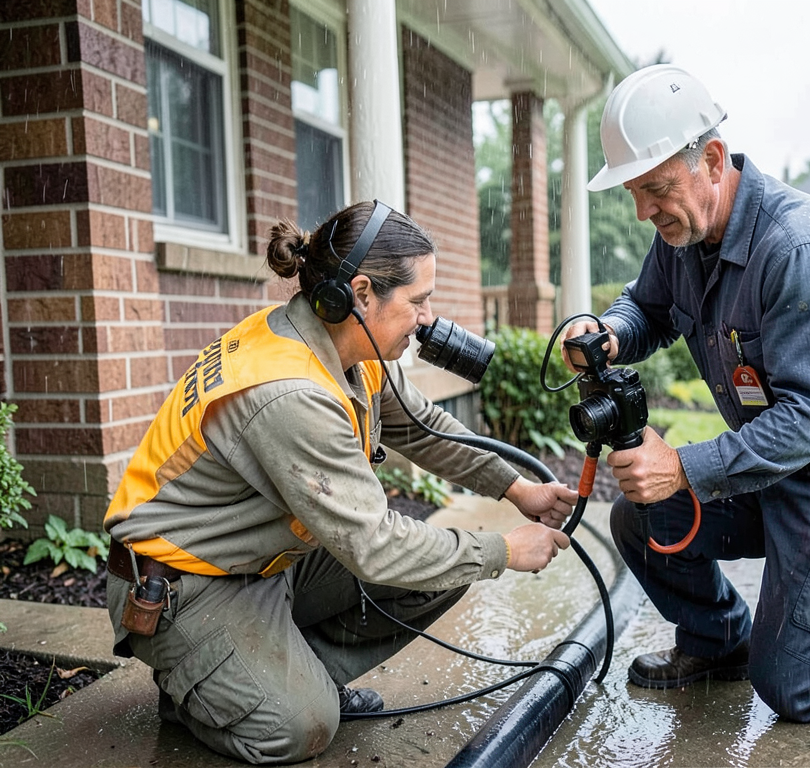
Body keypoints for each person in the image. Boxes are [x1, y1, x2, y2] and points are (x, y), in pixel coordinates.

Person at [104, 200, 576, 764]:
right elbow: (375, 546)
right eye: (419, 302)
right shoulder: (289, 392)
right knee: (299, 729)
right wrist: (504, 549)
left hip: (262, 558)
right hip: (181, 583)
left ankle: (268, 673)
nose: (429, 318)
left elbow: (424, 428)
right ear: (361, 293)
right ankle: (209, 692)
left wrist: (517, 489)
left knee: (442, 569)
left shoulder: (345, 345)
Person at [564, 64, 810, 723]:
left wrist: (685, 466)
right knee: (645, 517)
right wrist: (609, 332)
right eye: (634, 193)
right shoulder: (683, 235)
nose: (644, 211)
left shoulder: (798, 247)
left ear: (713, 159)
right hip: (784, 462)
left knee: (798, 687)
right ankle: (717, 639)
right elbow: (649, 307)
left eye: (657, 188)